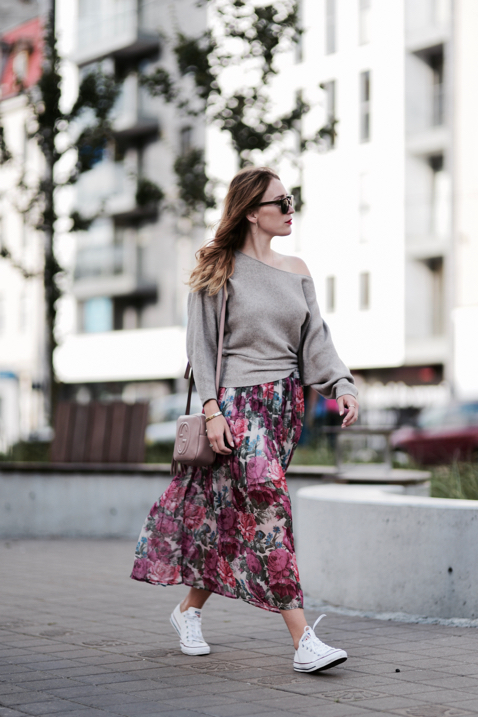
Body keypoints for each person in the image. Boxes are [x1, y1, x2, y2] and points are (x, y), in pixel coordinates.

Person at [131, 166, 359, 673]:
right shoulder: (219, 269)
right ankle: (303, 641)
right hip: (237, 409)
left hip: (285, 409)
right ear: (253, 211)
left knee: (232, 520)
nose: (290, 208)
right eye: (281, 201)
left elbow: (316, 341)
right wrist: (212, 410)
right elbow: (201, 347)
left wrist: (341, 384)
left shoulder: (298, 269)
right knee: (270, 510)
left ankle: (187, 611)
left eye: (291, 199)